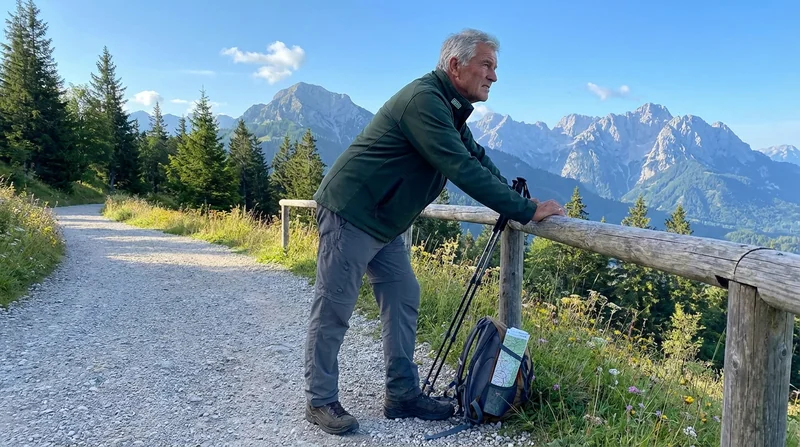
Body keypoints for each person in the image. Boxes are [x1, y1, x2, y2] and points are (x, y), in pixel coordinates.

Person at [304, 28, 566, 435]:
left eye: (495, 67)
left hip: (384, 221)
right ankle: (320, 400)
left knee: (404, 296)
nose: (494, 76)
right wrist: (527, 211)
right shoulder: (425, 101)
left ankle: (402, 395)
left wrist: (519, 198)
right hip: (352, 213)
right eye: (487, 65)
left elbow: (475, 157)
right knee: (335, 306)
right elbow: (459, 168)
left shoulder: (449, 106)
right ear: (455, 65)